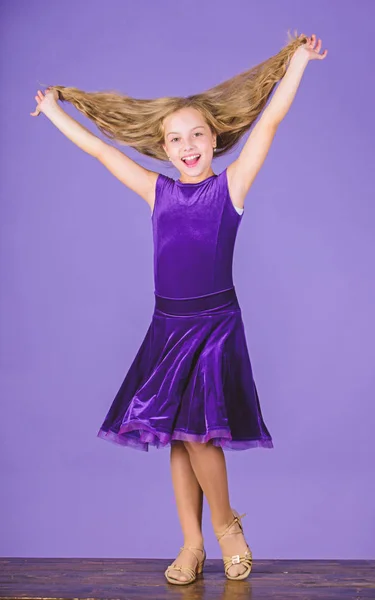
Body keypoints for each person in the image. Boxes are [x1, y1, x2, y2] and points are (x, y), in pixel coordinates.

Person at [31, 31, 327, 585]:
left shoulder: (231, 188)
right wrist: (51, 110)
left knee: (195, 433)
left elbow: (271, 122)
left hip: (214, 326)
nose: (187, 145)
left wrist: (299, 62)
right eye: (175, 139)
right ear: (163, 148)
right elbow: (100, 149)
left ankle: (225, 526)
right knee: (176, 433)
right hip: (168, 326)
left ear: (215, 137)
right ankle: (191, 545)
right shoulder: (156, 192)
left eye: (196, 134)